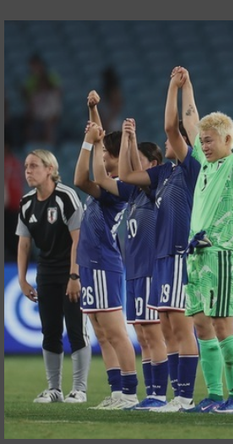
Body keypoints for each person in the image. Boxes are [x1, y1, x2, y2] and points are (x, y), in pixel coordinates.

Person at [181, 63, 233, 414]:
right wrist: (186, 85)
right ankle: (214, 396)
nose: (204, 145)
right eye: (202, 142)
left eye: (209, 140)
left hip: (222, 253)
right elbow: (190, 120)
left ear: (228, 140)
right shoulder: (204, 163)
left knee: (222, 325)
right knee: (201, 325)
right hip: (196, 255)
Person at [118, 69, 201, 413]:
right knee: (166, 328)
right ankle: (171, 396)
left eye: (173, 140)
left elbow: (172, 126)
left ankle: (184, 397)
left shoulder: (191, 168)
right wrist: (128, 140)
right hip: (162, 258)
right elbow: (125, 174)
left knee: (181, 328)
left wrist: (175, 87)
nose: (166, 143)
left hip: (180, 254)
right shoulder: (164, 174)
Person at [92, 116, 170, 411]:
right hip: (134, 272)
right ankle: (152, 395)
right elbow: (102, 178)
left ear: (153, 164)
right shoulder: (132, 193)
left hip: (150, 270)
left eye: (138, 158)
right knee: (142, 334)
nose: (131, 164)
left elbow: (132, 172)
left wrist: (130, 137)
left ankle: (159, 395)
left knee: (153, 334)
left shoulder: (154, 188)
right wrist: (100, 142)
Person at [74, 96, 138, 410]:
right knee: (101, 332)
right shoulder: (109, 184)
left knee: (115, 331)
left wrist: (90, 142)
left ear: (114, 156)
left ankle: (130, 392)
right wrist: (93, 111)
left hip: (103, 262)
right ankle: (116, 392)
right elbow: (98, 141)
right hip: (90, 264)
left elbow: (83, 178)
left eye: (104, 152)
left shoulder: (118, 187)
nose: (102, 155)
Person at [17, 149, 91, 403]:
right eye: (26, 166)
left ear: (50, 169)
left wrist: (74, 276)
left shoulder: (66, 196)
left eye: (34, 166)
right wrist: (22, 279)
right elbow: (24, 243)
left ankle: (79, 389)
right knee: (50, 331)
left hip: (71, 270)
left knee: (76, 330)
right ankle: (54, 389)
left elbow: (78, 240)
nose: (28, 171)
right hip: (46, 272)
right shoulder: (26, 202)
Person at [5, 139, 24, 261]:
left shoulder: (9, 163)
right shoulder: (16, 162)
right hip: (14, 206)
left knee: (12, 238)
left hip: (11, 206)